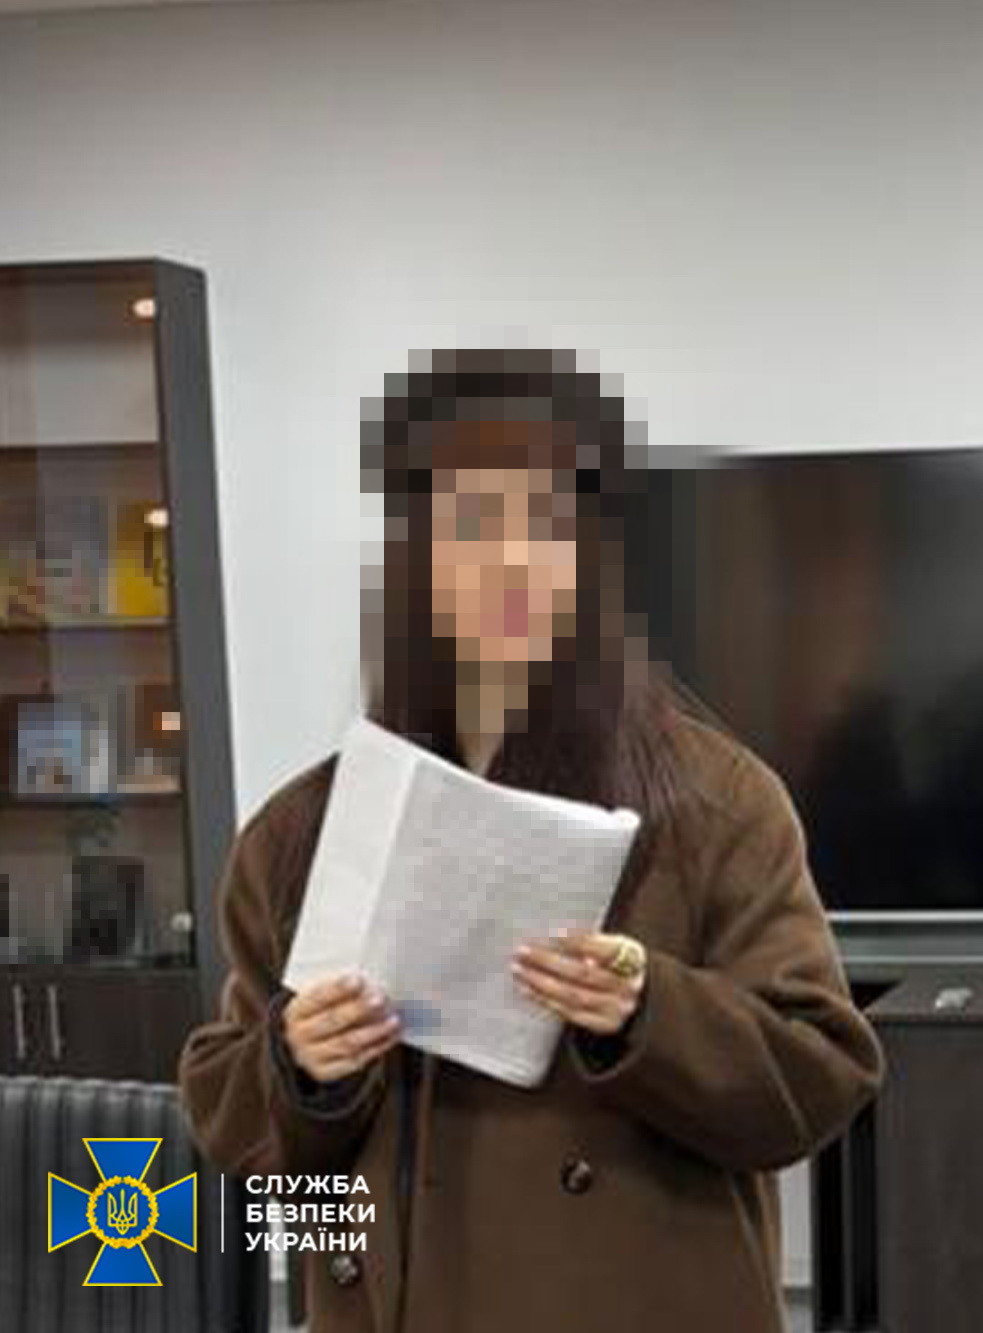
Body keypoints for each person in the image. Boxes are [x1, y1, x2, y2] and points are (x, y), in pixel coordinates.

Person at [179, 350, 883, 1333]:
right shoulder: (303, 831)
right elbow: (240, 1130)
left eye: (546, 526)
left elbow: (819, 1076)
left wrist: (648, 1010)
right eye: (471, 526)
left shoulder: (715, 802)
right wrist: (301, 1064)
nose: (510, 561)